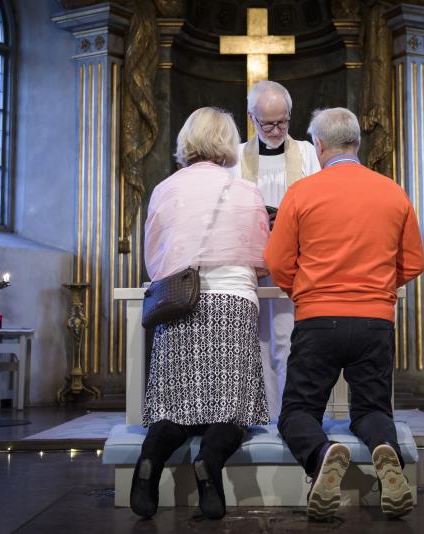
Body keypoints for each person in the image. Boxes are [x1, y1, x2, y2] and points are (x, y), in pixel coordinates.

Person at [264, 107, 424, 520]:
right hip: (375, 321)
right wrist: (379, 290)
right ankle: (385, 452)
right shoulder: (393, 191)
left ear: (319, 145)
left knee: (297, 411)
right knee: (372, 410)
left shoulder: (301, 193)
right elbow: (414, 262)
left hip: (318, 320)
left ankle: (322, 454)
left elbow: (278, 261)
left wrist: (306, 292)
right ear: (357, 142)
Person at [131, 107, 270, 520]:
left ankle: (150, 462)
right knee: (233, 409)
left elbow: (154, 258)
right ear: (228, 143)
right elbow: (263, 257)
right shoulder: (245, 191)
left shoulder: (164, 189)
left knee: (176, 407)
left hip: (179, 301)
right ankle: (209, 462)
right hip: (232, 300)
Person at [234, 80, 321, 420]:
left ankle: (289, 418)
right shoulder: (237, 156)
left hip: (293, 263)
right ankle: (261, 417)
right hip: (249, 262)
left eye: (282, 122)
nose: (275, 130)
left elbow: (317, 205)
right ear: (251, 117)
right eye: (267, 123)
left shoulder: (308, 154)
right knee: (256, 343)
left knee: (286, 341)